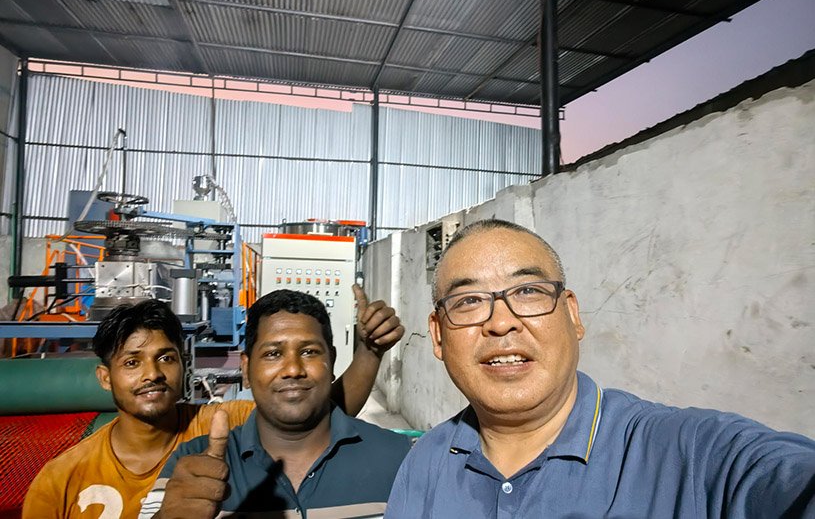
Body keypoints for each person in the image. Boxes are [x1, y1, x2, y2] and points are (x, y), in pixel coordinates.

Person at [386, 219, 815, 518]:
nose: (501, 322)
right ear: (438, 336)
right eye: (468, 301)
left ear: (573, 315)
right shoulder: (426, 460)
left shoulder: (693, 456)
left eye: (529, 291)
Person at [23, 285, 403, 519]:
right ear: (105, 376)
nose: (152, 374)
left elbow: (314, 408)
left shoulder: (220, 424)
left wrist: (369, 353)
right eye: (132, 362)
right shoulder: (61, 479)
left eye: (166, 358)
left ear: (184, 366)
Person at [139, 290, 411, 518]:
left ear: (332, 360)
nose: (293, 369)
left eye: (309, 352)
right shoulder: (191, 465)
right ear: (246, 369)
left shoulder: (400, 458)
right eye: (273, 354)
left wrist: (369, 353)